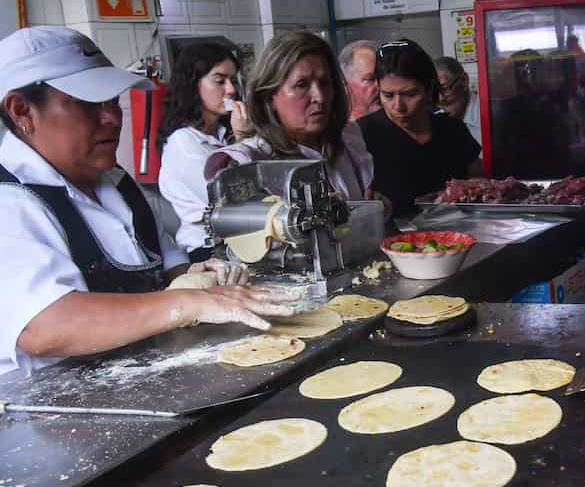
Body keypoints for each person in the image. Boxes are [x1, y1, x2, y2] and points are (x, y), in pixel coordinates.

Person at [0, 27, 297, 376]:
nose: (111, 118)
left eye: (112, 102)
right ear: (22, 112)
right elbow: (46, 327)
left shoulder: (117, 185)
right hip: (51, 413)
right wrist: (188, 303)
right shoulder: (12, 201)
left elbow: (167, 274)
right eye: (88, 104)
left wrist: (198, 278)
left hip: (139, 379)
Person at [205, 32, 380, 212]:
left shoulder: (346, 138)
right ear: (269, 96)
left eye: (325, 82)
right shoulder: (250, 162)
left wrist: (374, 208)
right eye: (302, 85)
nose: (319, 97)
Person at [358, 40, 483, 217]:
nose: (398, 106)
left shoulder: (452, 131)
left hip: (459, 239)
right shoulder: (362, 136)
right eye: (388, 95)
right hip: (393, 243)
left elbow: (481, 187)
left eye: (410, 94)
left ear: (429, 87)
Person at [157, 42, 249, 262]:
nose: (231, 90)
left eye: (233, 80)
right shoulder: (184, 143)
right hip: (207, 252)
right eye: (219, 81)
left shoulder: (221, 133)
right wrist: (243, 140)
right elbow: (232, 200)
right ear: (193, 84)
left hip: (238, 244)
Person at [434, 56, 482, 144]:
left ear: (464, 81)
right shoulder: (435, 123)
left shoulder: (489, 117)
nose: (440, 99)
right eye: (434, 92)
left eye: (444, 89)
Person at [338, 39, 379, 120]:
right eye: (370, 79)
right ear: (345, 86)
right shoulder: (339, 130)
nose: (380, 86)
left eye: (382, 77)